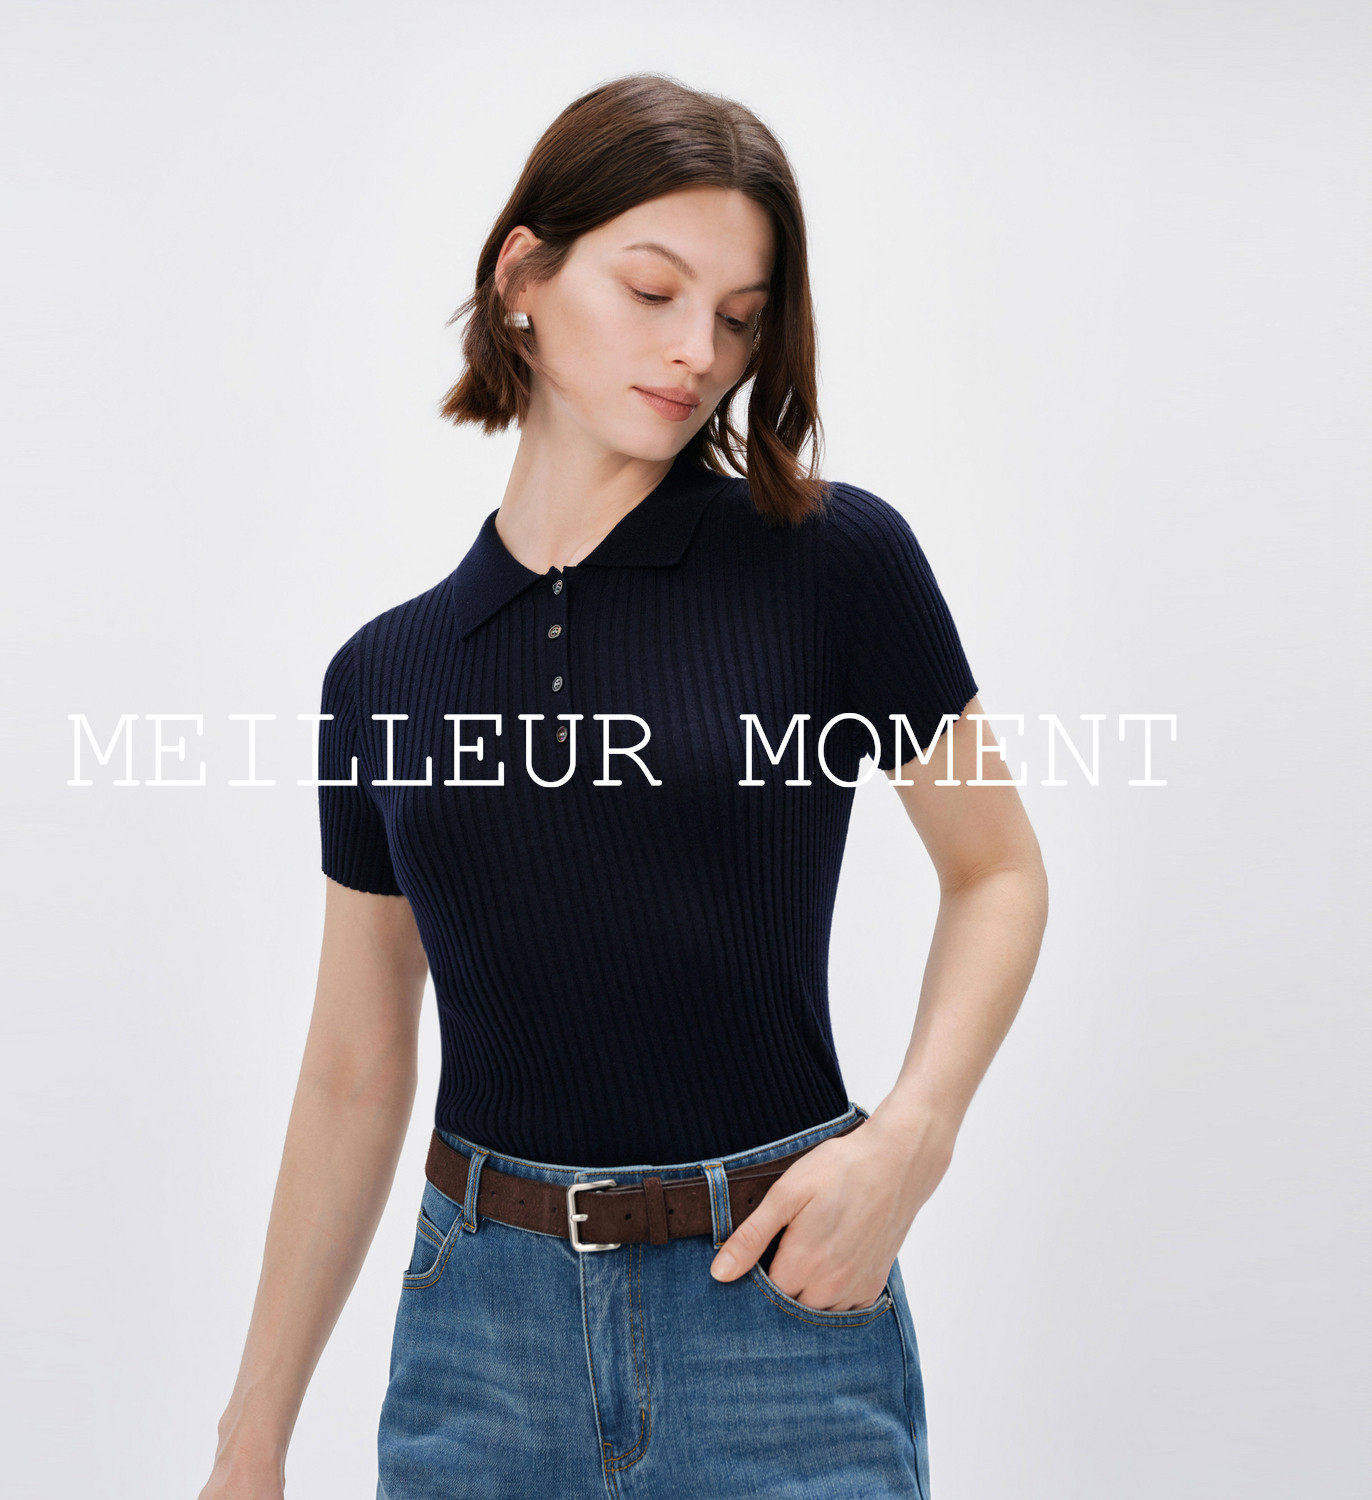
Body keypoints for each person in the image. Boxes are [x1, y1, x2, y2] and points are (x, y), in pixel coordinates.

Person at [201, 73, 1048, 1500]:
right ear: (522, 278)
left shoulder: (830, 565)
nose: (697, 351)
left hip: (776, 1311)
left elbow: (998, 870)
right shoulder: (384, 675)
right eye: (653, 291)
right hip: (479, 1346)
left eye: (738, 317)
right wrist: (253, 1437)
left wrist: (911, 1139)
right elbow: (353, 1069)